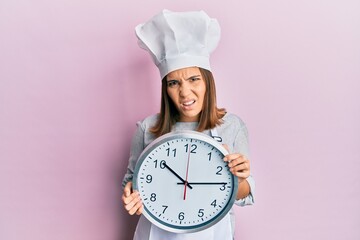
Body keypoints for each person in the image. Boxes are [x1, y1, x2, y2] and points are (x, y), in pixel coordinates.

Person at [122, 9, 255, 240]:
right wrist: (130, 196)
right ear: (166, 89)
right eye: (174, 83)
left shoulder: (232, 126)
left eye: (193, 79)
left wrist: (240, 178)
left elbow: (243, 193)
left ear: (207, 82)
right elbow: (133, 183)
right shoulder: (147, 128)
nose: (184, 92)